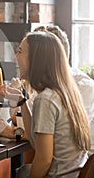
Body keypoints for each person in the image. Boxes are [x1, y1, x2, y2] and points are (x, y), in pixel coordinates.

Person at [0, 31, 90, 177]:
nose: (16, 56)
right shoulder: (65, 93)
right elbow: (36, 143)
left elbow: (44, 160)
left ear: (36, 60)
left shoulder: (46, 100)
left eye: (20, 52)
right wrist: (22, 102)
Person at [34, 25, 94, 155]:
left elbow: (61, 137)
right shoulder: (46, 86)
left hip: (82, 166)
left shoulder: (83, 86)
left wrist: (14, 132)